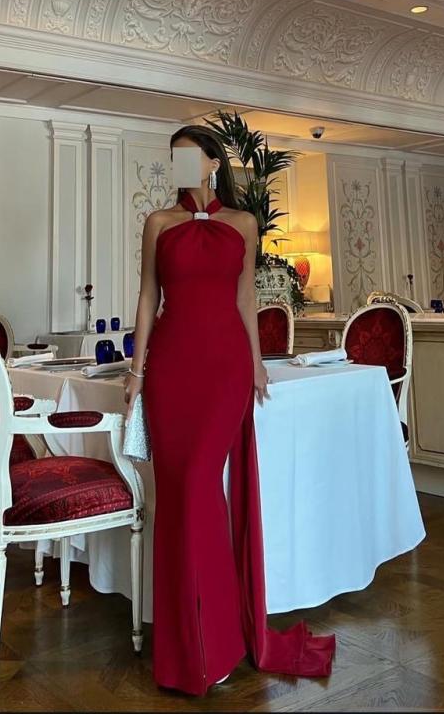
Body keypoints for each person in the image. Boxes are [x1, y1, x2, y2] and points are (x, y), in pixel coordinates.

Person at [126, 124, 335, 695]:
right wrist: (137, 370)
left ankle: (215, 639)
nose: (179, 165)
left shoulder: (243, 223)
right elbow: (147, 297)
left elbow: (247, 299)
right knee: (180, 497)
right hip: (170, 369)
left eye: (188, 157)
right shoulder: (158, 223)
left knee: (200, 487)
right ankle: (190, 647)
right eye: (173, 158)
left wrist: (256, 363)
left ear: (213, 163)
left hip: (224, 369)